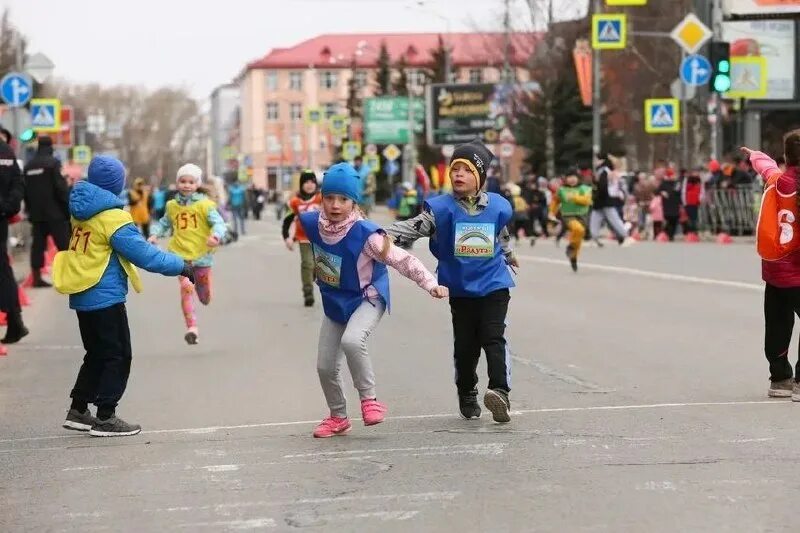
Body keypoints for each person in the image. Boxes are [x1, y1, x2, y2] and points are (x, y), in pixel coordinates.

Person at [298, 162, 447, 438]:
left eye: (343, 199)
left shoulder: (368, 235)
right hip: (336, 302)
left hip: (368, 298)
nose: (335, 205)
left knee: (353, 340)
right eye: (329, 198)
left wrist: (430, 283)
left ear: (354, 202)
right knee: (325, 365)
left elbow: (402, 260)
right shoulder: (311, 224)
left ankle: (369, 400)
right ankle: (338, 417)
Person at [52, 156, 193, 437]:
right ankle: (106, 416)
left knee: (96, 353)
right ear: (118, 183)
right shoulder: (113, 217)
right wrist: (181, 265)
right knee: (118, 354)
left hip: (83, 291)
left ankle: (79, 409)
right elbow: (144, 255)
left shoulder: (81, 209)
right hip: (104, 295)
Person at [386, 140, 518, 423]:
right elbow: (411, 228)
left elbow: (500, 233)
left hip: (494, 283)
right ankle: (467, 391)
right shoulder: (441, 210)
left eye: (466, 170)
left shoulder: (497, 206)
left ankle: (500, 393)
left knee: (493, 337)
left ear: (479, 177)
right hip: (460, 288)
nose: (458, 174)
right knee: (466, 346)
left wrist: (508, 254)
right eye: (454, 169)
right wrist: (373, 234)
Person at [744, 131, 800, 399]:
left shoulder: (777, 181)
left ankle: (780, 378)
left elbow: (765, 167)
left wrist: (755, 155)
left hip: (776, 268)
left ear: (787, 157)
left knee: (778, 323)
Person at [149, 164, 227, 345]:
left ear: (197, 184)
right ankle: (192, 328)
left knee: (204, 297)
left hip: (202, 257)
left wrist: (215, 235)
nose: (186, 185)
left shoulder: (205, 205)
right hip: (181, 256)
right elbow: (164, 224)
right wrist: (155, 234)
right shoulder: (172, 206)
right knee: (186, 288)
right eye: (183, 181)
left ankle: (205, 292)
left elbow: (220, 224)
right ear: (177, 183)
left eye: (191, 182)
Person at [23, 136, 70, 287]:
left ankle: (36, 278)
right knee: (64, 245)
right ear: (50, 146)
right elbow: (61, 189)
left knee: (37, 246)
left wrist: (30, 211)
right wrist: (67, 209)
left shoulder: (29, 166)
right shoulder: (53, 163)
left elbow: (25, 191)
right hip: (55, 214)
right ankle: (68, 276)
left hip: (37, 214)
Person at [0, 126, 27, 343]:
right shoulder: (8, 153)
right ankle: (15, 321)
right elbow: (18, 185)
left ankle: (15, 322)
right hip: (1, 218)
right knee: (3, 268)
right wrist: (7, 208)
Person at [282, 170, 322, 307]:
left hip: (321, 239)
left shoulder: (321, 199)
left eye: (312, 182)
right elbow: (287, 220)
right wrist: (287, 237)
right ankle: (308, 293)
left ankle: (315, 277)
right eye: (306, 182)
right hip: (303, 238)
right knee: (307, 264)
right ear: (301, 184)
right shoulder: (295, 202)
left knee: (318, 267)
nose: (309, 185)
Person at [550, 169, 592, 272]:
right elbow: (555, 201)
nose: (572, 179)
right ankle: (570, 247)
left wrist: (574, 197)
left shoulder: (584, 188)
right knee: (578, 229)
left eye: (574, 177)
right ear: (566, 179)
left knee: (579, 239)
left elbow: (587, 201)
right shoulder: (562, 190)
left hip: (582, 215)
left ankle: (574, 257)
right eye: (569, 177)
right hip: (568, 215)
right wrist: (551, 212)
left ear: (578, 178)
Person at [590, 155, 630, 247]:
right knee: (595, 219)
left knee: (614, 220)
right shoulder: (603, 171)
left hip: (605, 200)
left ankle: (625, 236)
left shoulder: (604, 171)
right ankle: (594, 238)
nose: (595, 162)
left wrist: (596, 195)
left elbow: (602, 186)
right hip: (601, 200)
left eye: (597, 160)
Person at [658, 170, 683, 241]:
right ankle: (667, 234)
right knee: (669, 220)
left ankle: (671, 235)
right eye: (672, 175)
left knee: (674, 220)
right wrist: (662, 192)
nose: (673, 176)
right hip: (667, 205)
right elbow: (658, 191)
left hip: (675, 204)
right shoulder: (664, 183)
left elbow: (677, 191)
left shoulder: (677, 183)